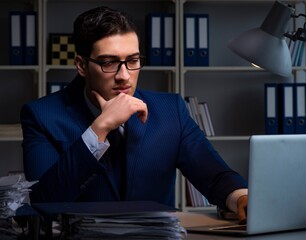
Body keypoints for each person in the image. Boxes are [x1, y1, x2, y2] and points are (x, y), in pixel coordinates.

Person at [20, 6, 248, 222]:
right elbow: (43, 202)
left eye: (133, 61)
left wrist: (240, 197)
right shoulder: (41, 115)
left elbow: (215, 176)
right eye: (109, 63)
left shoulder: (170, 110)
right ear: (81, 65)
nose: (124, 76)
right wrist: (99, 130)